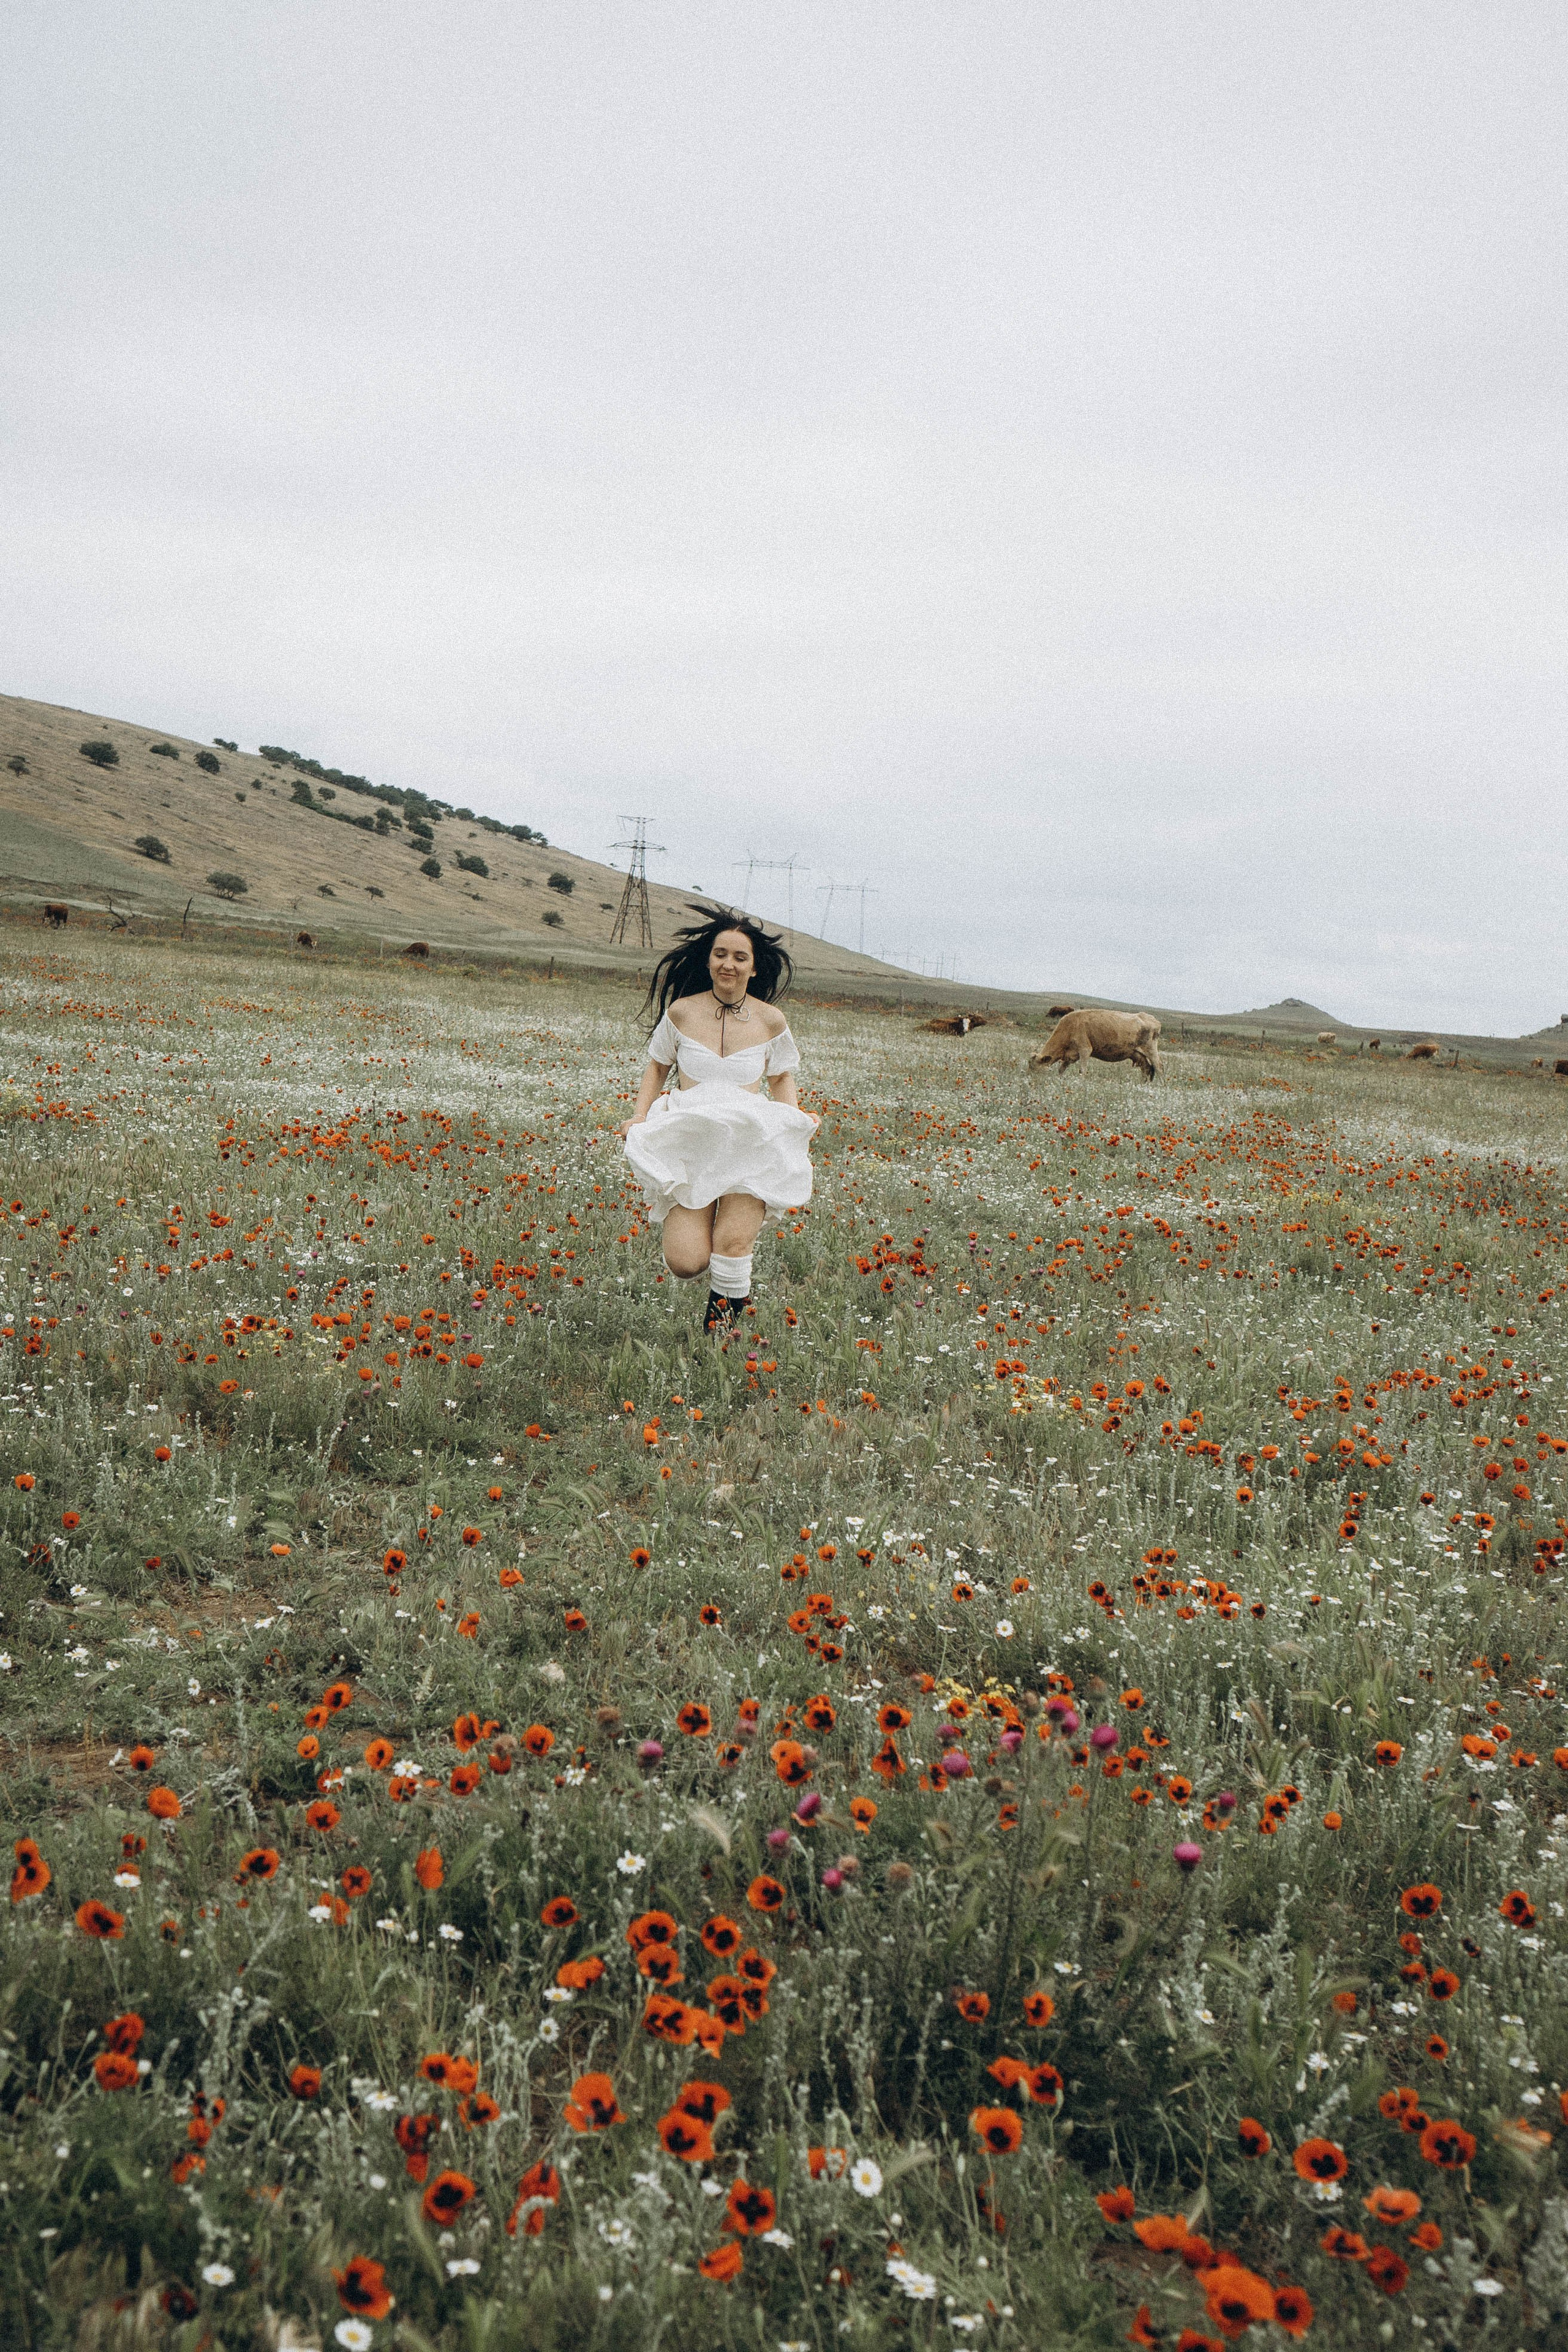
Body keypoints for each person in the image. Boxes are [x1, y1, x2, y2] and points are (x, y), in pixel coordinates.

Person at [623, 905, 816, 1331]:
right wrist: (638, 1118)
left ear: (753, 966)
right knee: (686, 1261)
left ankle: (722, 1341)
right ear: (709, 960)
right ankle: (721, 1296)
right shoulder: (682, 1012)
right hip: (691, 1141)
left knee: (732, 1243)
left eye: (740, 957)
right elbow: (657, 1067)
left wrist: (792, 1122)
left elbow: (782, 1076)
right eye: (721, 954)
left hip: (750, 1143)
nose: (729, 964)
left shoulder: (771, 1020)